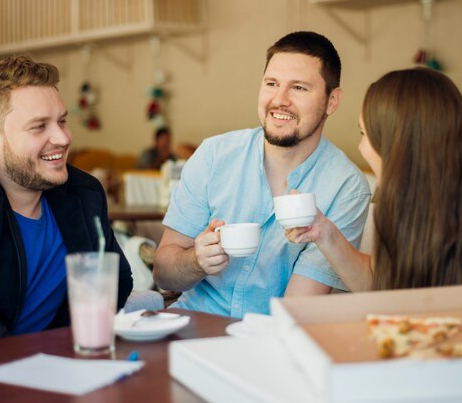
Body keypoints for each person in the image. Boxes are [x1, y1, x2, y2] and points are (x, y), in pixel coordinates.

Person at [0, 55, 133, 350]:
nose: (63, 137)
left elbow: (116, 280)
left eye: (62, 121)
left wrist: (58, 351)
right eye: (39, 127)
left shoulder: (83, 192)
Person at [153, 31, 371, 317]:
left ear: (332, 100)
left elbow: (296, 309)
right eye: (271, 84)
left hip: (268, 339)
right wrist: (196, 260)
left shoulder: (346, 187)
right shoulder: (213, 155)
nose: (279, 100)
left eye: (299, 88)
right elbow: (163, 274)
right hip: (192, 324)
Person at [286, 67, 462, 291]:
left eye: (364, 133)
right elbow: (379, 285)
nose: (360, 147)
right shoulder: (399, 203)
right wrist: (323, 232)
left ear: (398, 144)